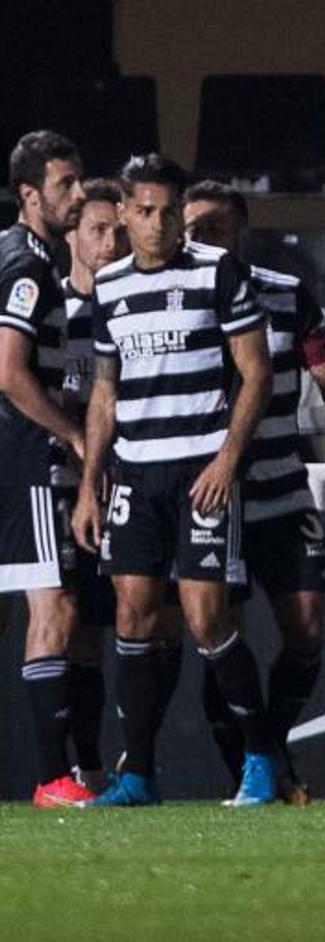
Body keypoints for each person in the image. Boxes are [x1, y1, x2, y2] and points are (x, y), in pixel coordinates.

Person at [72, 154, 276, 807]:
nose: (159, 224)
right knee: (133, 618)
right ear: (126, 212)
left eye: (169, 211)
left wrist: (226, 460)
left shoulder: (218, 271)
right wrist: (89, 482)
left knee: (205, 618)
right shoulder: (109, 287)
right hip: (136, 469)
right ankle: (139, 775)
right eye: (146, 211)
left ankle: (263, 761)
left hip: (200, 471)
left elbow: (256, 372)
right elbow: (105, 392)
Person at [183, 180, 325, 800]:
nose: (198, 239)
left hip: (283, 492)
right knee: (223, 635)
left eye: (213, 228)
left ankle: (267, 751)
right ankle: (257, 765)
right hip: (214, 500)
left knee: (306, 630)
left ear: (241, 232)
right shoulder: (177, 296)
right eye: (191, 228)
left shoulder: (283, 293)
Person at [0, 130, 93, 806]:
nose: (80, 194)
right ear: (31, 195)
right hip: (22, 455)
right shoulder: (29, 269)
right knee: (53, 606)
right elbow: (8, 373)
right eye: (66, 184)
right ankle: (52, 777)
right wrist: (73, 434)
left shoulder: (15, 257)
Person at [60, 178, 130, 792]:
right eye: (97, 230)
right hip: (68, 492)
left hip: (135, 489)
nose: (110, 243)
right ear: (72, 237)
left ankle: (141, 761)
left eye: (117, 230)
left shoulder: (140, 305)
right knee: (79, 634)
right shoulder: (48, 313)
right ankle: (87, 763)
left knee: (151, 625)